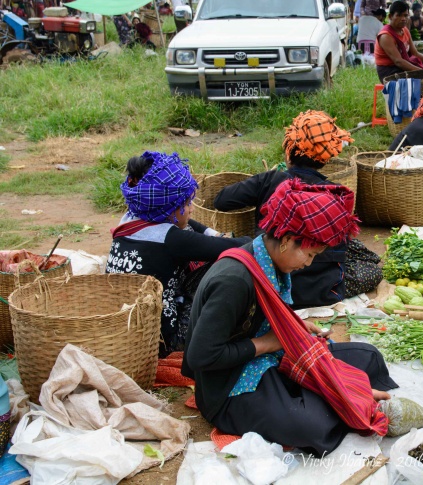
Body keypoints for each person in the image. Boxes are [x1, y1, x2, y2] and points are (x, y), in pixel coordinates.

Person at [183, 180, 399, 456]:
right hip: (231, 385)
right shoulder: (234, 280)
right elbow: (200, 356)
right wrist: (270, 343)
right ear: (286, 241)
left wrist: (293, 326)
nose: (308, 263)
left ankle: (333, 394)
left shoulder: (270, 260)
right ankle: (337, 397)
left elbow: (263, 317)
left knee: (369, 358)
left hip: (272, 358)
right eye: (309, 254)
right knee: (313, 427)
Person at [214, 111, 382, 306]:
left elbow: (222, 200)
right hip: (324, 289)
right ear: (325, 158)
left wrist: (261, 185)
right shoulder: (337, 195)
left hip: (271, 284)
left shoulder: (271, 180)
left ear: (289, 150)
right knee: (370, 265)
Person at [107, 151, 251, 357]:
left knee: (190, 233)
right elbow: (239, 246)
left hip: (126, 331)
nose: (191, 208)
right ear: (168, 209)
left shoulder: (131, 218)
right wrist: (234, 239)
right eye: (185, 204)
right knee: (228, 264)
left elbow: (188, 225)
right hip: (162, 342)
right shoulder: (171, 239)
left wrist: (215, 233)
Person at [375, 1, 423, 82]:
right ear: (390, 16)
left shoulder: (405, 30)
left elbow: (415, 53)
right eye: (399, 15)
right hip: (390, 71)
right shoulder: (386, 36)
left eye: (405, 15)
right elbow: (398, 61)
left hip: (403, 65)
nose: (403, 19)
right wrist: (422, 72)